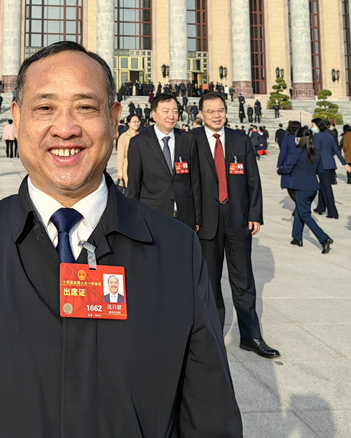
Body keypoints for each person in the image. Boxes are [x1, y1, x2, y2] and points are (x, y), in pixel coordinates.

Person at [0, 42, 242, 436]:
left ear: (114, 119)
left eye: (85, 107)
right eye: (45, 108)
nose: (65, 128)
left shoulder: (175, 250)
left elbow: (210, 414)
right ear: (17, 119)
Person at [191, 92, 280, 359]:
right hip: (206, 222)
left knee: (243, 280)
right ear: (201, 114)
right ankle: (212, 337)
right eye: (210, 111)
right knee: (209, 281)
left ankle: (251, 336)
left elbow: (253, 179)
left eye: (220, 110)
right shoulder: (191, 140)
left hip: (238, 219)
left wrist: (255, 214)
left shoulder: (240, 139)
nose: (216, 115)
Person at [127, 94, 202, 232]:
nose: (171, 116)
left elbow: (195, 181)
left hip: (185, 217)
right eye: (166, 111)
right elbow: (134, 186)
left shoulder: (188, 139)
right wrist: (133, 218)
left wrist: (197, 217)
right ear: (154, 115)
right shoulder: (139, 143)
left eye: (175, 111)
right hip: (152, 216)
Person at [279, 127, 333, 253]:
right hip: (313, 187)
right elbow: (320, 171)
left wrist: (279, 170)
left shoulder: (296, 152)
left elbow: (288, 168)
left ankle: (324, 238)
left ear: (300, 139)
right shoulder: (316, 153)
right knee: (300, 210)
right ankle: (297, 237)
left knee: (304, 214)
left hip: (301, 187)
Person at [312, 117, 350, 219]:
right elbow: (337, 151)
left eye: (313, 125)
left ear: (318, 126)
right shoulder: (330, 136)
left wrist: (313, 165)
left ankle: (332, 211)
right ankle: (320, 207)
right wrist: (344, 164)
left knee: (326, 188)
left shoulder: (317, 137)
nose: (312, 127)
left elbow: (317, 152)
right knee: (323, 186)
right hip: (330, 164)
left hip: (322, 165)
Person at [116, 113, 140, 192]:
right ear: (128, 123)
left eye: (138, 121)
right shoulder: (123, 137)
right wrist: (120, 172)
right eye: (134, 122)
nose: (136, 123)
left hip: (140, 167)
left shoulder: (141, 136)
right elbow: (120, 156)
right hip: (128, 166)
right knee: (130, 190)